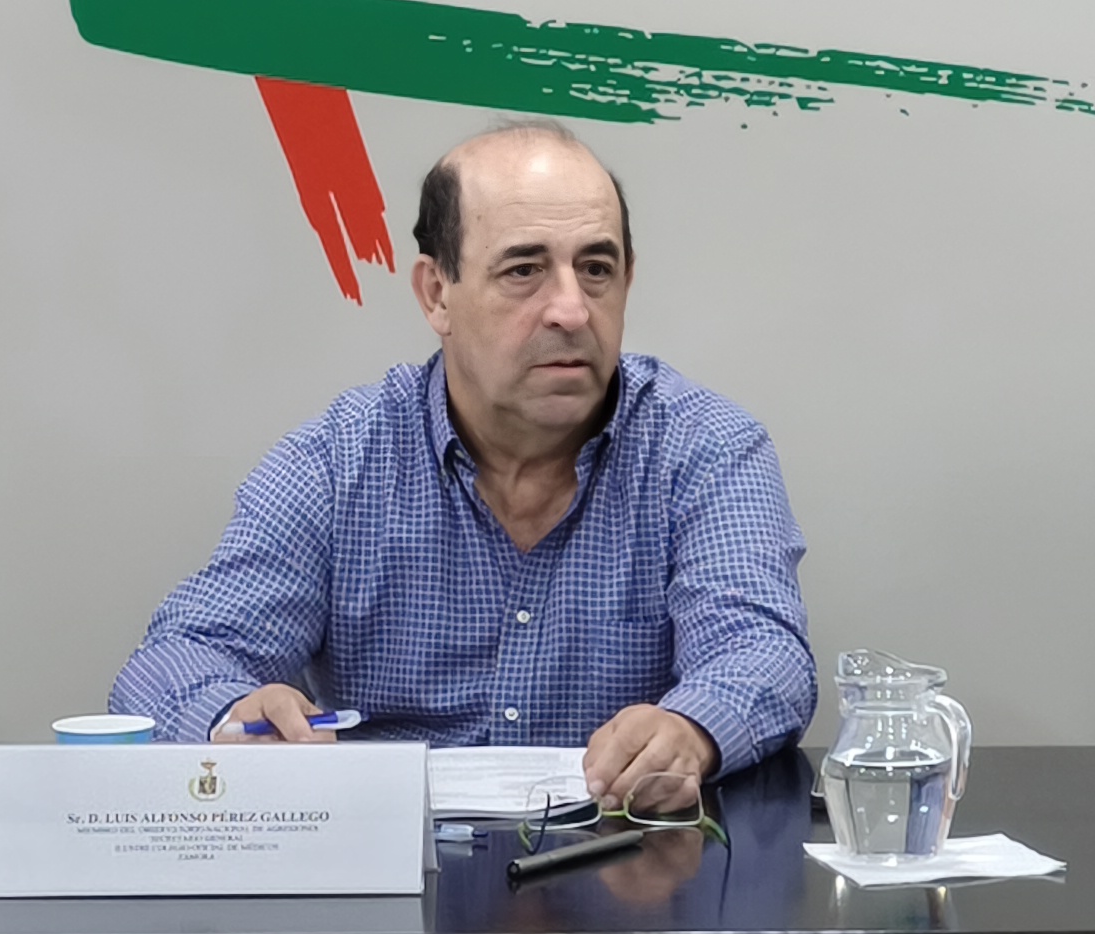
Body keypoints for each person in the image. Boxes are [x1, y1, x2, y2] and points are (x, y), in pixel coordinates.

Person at [110, 120, 815, 810]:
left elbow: (762, 651)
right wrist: (233, 714)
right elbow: (173, 660)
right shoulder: (336, 464)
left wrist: (692, 729)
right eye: (524, 270)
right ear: (436, 294)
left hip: (623, 860)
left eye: (596, 269)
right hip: (394, 868)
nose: (571, 310)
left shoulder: (706, 449)